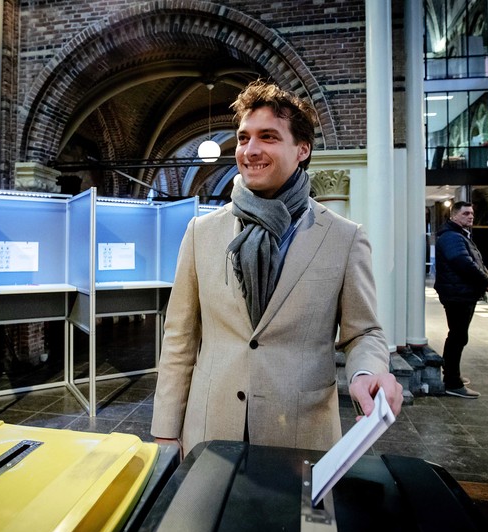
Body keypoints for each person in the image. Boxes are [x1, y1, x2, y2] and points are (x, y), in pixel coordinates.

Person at [151, 80, 403, 455]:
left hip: (300, 431)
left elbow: (363, 332)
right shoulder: (202, 232)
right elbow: (180, 337)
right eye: (243, 138)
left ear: (301, 149)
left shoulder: (343, 238)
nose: (250, 150)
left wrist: (368, 372)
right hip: (212, 427)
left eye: (267, 137)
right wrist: (166, 430)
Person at [434, 201, 488, 399]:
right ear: (454, 216)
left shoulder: (458, 235)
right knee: (458, 337)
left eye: (472, 214)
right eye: (466, 213)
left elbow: (472, 260)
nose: (471, 217)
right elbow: (463, 262)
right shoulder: (452, 236)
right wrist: (486, 280)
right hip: (457, 294)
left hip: (460, 292)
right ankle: (452, 381)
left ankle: (452, 374)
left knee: (458, 336)